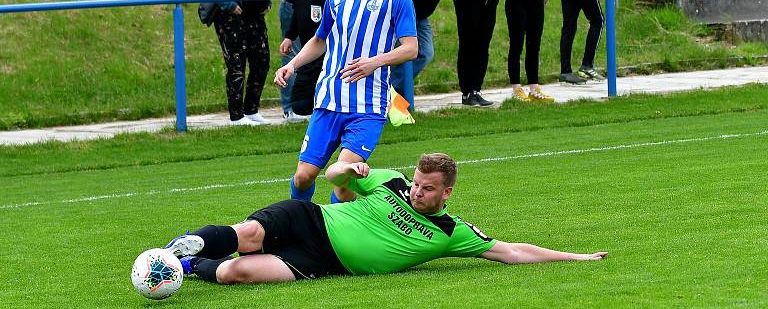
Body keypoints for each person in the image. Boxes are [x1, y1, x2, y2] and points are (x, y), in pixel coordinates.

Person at [163, 153, 608, 285]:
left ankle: (187, 267)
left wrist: (576, 257)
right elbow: (332, 176)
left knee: (236, 272)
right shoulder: (391, 181)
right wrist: (346, 170)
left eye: (427, 188)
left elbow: (511, 251)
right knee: (251, 235)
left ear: (446, 192)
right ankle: (185, 246)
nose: (416, 191)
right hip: (311, 220)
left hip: (322, 262)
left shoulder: (450, 232)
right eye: (416, 183)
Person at [274, 0, 417, 204]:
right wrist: (292, 65)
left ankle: (336, 236)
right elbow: (320, 40)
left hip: (367, 106)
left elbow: (411, 48)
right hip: (328, 101)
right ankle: (297, 225)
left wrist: (373, 62)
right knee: (303, 177)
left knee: (342, 179)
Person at [279, 0, 350, 117]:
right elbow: (298, 11)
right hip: (308, 52)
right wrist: (289, 36)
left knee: (329, 102)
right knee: (301, 105)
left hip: (332, 55)